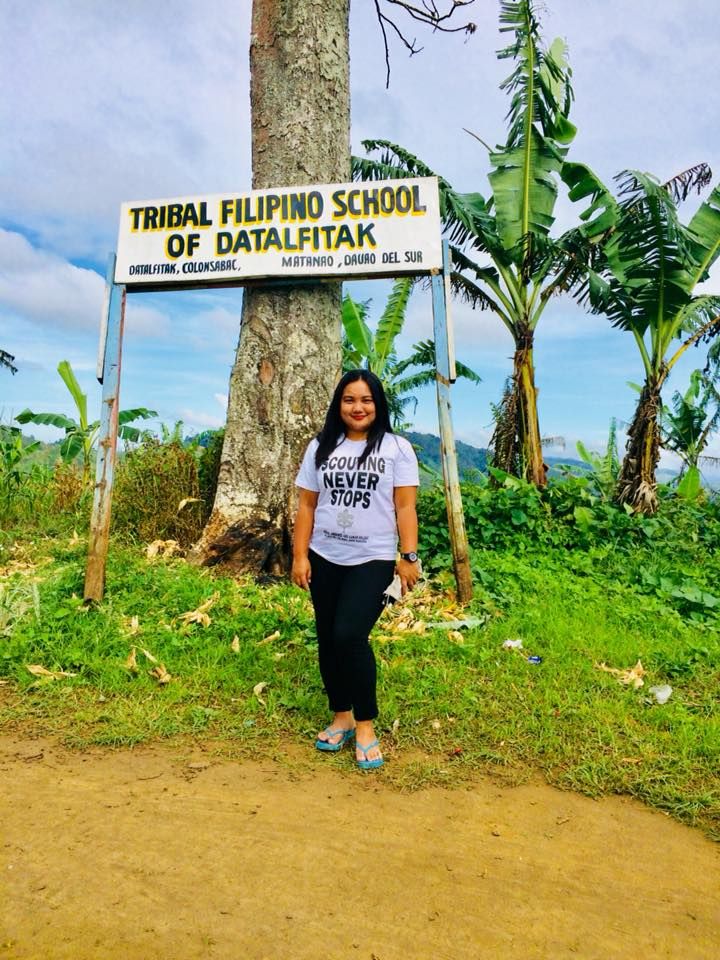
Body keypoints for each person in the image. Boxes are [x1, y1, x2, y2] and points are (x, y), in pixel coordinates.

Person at [292, 369, 420, 770]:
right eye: (349, 400)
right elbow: (307, 506)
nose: (358, 407)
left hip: (374, 559)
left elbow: (405, 507)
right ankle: (341, 716)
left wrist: (409, 557)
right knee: (328, 638)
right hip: (324, 556)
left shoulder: (397, 449)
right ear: (338, 404)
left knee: (350, 634)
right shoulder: (320, 447)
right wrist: (299, 557)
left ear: (378, 404)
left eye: (366, 400)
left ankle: (365, 724)